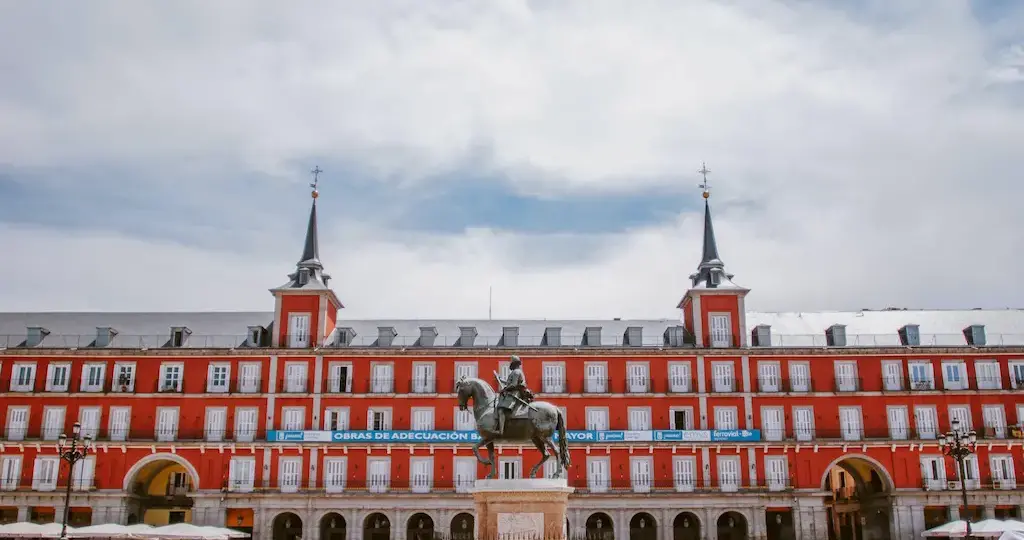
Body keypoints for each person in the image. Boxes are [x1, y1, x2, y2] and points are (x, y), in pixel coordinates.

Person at [496, 355, 532, 436]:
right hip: (513, 392)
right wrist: (500, 380)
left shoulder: (516, 372)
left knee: (501, 410)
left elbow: (513, 385)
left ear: (514, 364)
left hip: (515, 394)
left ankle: (501, 431)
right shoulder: (517, 372)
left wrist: (504, 389)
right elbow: (509, 383)